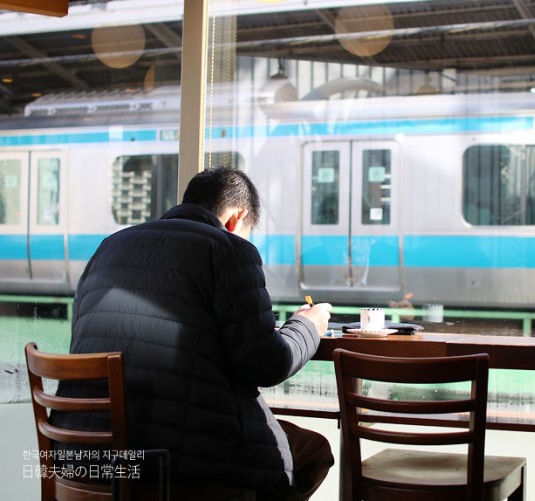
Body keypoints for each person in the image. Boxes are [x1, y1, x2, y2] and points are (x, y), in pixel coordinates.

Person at [50, 167, 334, 500]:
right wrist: (308, 325)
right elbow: (269, 364)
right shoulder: (229, 249)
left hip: (82, 455)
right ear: (236, 218)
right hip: (177, 464)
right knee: (312, 451)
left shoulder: (108, 248)